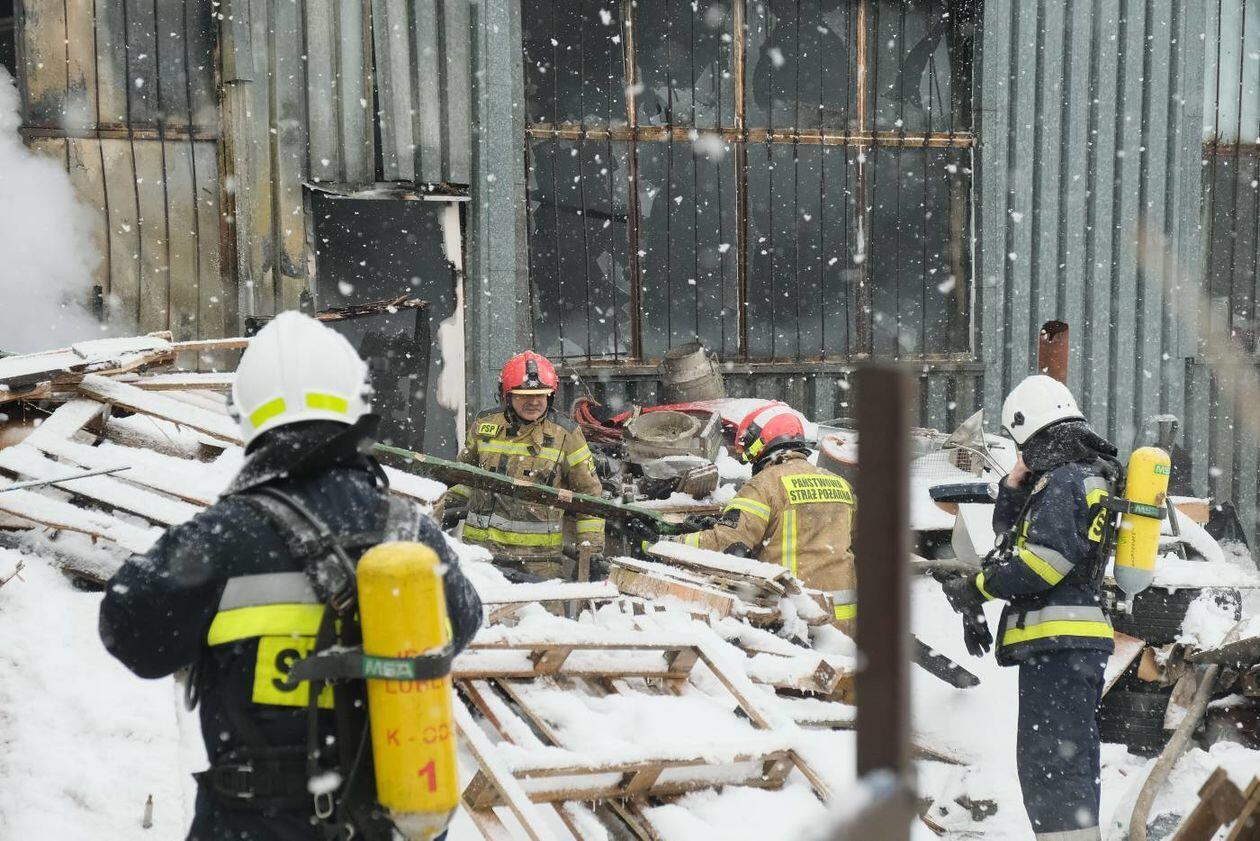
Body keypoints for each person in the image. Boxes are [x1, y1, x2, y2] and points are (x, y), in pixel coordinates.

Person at [99, 312, 483, 841]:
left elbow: (130, 633)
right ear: (354, 407)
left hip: (253, 826)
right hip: (383, 819)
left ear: (248, 416)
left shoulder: (222, 537)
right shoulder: (407, 530)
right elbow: (463, 622)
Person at [941, 374, 1120, 841]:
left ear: (1030, 431)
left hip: (1058, 644)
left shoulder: (1064, 480)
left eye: (1022, 446)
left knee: (1052, 763)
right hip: (1072, 643)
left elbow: (1042, 562)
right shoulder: (1085, 475)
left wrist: (978, 587)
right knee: (1070, 757)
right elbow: (1013, 535)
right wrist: (1014, 483)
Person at [670, 404, 858, 633]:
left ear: (762, 442)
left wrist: (667, 544)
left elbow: (725, 542)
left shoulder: (764, 484)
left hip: (797, 622)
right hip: (845, 624)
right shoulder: (840, 484)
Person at [434, 350, 604, 581]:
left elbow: (590, 498)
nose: (533, 402)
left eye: (541, 395)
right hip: (481, 558)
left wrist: (591, 553)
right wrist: (444, 509)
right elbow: (464, 479)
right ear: (507, 396)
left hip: (539, 564)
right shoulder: (484, 425)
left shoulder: (567, 435)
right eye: (524, 395)